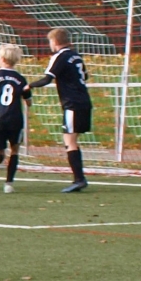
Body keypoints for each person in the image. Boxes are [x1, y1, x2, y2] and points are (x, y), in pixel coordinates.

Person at [30, 27, 91, 192]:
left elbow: (47, 79)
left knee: (69, 141)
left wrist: (28, 86)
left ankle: (79, 179)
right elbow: (85, 76)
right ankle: (79, 178)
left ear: (55, 41)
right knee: (72, 141)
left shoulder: (59, 56)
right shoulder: (76, 55)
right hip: (84, 101)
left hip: (72, 104)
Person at [0, 43, 33, 193]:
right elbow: (28, 101)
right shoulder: (21, 79)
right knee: (14, 150)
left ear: (1, 58)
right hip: (14, 118)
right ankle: (8, 184)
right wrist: (26, 99)